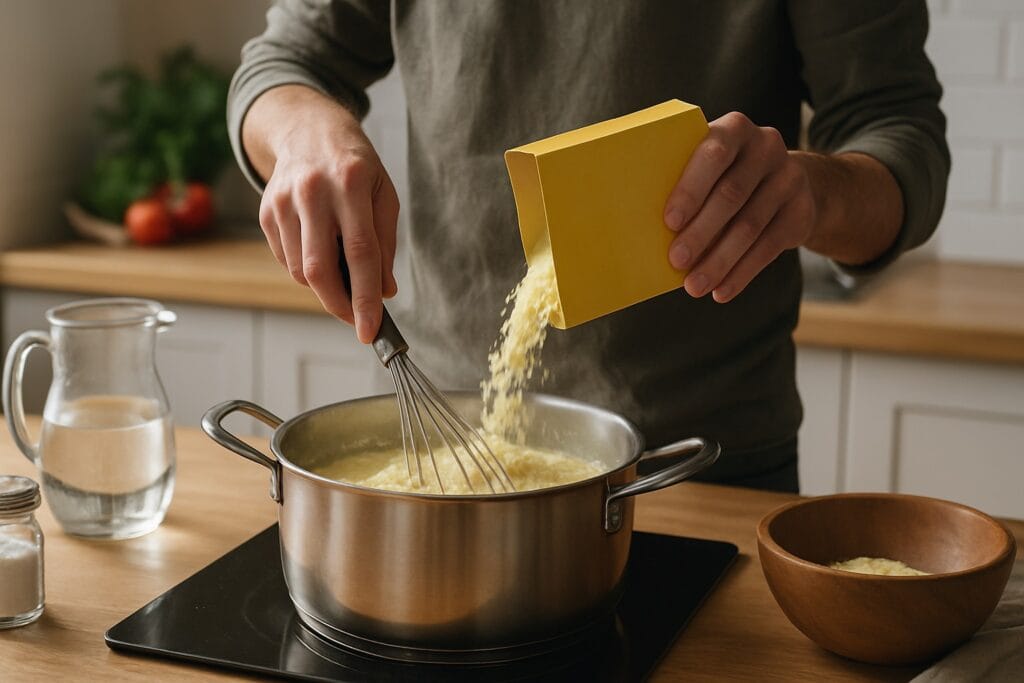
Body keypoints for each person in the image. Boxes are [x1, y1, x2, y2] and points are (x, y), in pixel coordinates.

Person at [228, 1, 949, 493]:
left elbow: (900, 134)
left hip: (700, 467)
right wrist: (302, 133)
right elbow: (282, 64)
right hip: (449, 445)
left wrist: (814, 190)